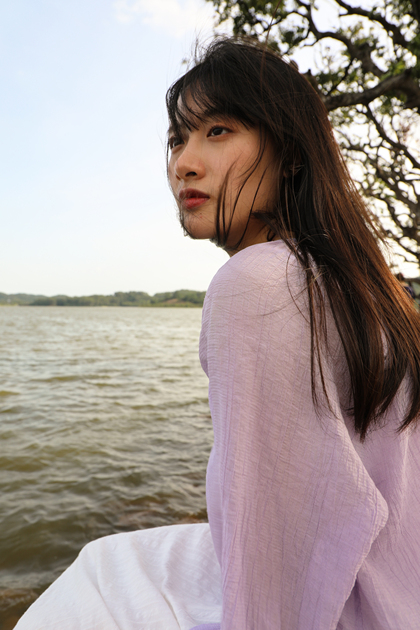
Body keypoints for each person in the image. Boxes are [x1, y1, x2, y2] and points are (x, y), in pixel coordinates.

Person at [15, 37, 420, 630]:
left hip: (354, 612)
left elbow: (279, 549)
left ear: (290, 153)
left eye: (219, 131)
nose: (184, 162)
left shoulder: (256, 284)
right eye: (178, 138)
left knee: (90, 587)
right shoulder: (366, 287)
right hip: (401, 592)